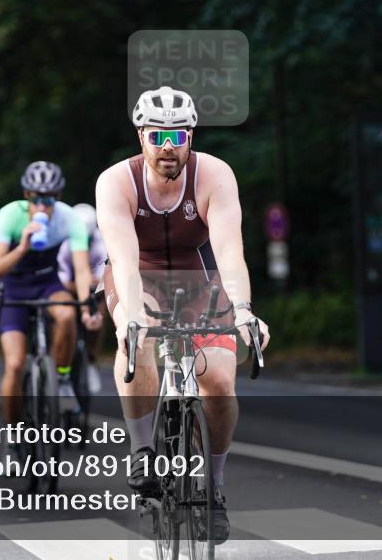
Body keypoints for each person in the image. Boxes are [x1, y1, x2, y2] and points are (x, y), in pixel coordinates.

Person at [95, 86, 271, 544]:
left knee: (220, 380)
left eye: (177, 135)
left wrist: (245, 310)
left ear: (191, 135)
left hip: (198, 276)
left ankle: (213, 489)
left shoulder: (215, 174)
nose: (168, 146)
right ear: (141, 137)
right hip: (139, 275)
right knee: (139, 336)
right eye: (158, 136)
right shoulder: (116, 181)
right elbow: (124, 260)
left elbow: (230, 253)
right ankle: (142, 451)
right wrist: (133, 315)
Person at [0, 161, 103, 460]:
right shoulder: (9, 216)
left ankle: (61, 377)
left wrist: (87, 306)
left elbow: (79, 269)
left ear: (58, 198)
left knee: (66, 315)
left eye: (49, 199)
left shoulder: (69, 220)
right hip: (14, 288)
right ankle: (13, 440)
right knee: (13, 366)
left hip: (47, 283)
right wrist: (22, 246)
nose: (42, 205)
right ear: (26, 195)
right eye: (36, 198)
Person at [57, 202, 108, 393]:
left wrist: (93, 284)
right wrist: (81, 285)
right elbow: (61, 278)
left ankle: (92, 359)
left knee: (100, 313)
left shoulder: (101, 243)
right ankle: (59, 367)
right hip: (69, 289)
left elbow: (105, 274)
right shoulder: (64, 244)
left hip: (94, 290)